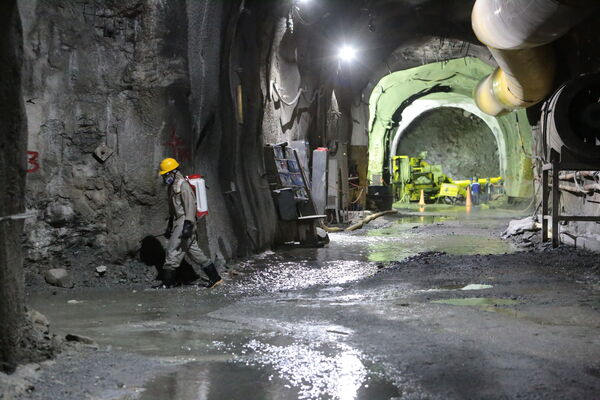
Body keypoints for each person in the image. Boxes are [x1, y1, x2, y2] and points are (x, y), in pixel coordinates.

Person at [158, 157, 222, 288]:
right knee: (194, 251)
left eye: (166, 174)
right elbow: (173, 208)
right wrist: (170, 224)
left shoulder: (183, 186)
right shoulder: (172, 187)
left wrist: (188, 225)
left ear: (174, 172)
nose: (164, 177)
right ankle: (215, 278)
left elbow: (190, 207)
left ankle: (167, 284)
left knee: (172, 251)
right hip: (179, 222)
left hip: (184, 222)